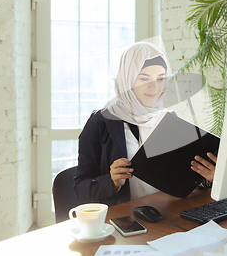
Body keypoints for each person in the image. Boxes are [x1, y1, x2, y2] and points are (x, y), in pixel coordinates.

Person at [74, 42, 216, 206]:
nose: (154, 87)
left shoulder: (169, 119)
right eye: (144, 78)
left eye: (160, 79)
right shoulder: (101, 121)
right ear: (127, 79)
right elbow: (80, 189)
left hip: (166, 213)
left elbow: (184, 179)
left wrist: (210, 177)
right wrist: (112, 182)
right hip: (124, 218)